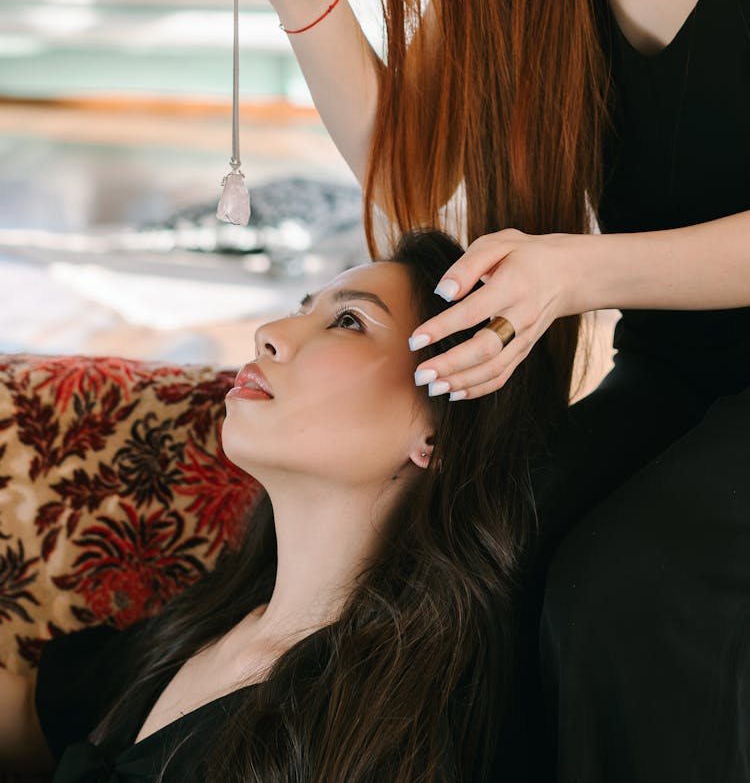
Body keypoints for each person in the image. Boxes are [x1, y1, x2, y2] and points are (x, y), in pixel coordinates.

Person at [206, 0, 750, 779]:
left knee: (634, 593)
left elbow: (573, 272)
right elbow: (418, 173)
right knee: (451, 563)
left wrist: (574, 274)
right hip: (683, 373)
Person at [0, 228, 555, 781]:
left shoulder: (398, 727)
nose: (269, 333)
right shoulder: (202, 620)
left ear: (439, 439)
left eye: (348, 322)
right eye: (300, 308)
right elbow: (36, 721)